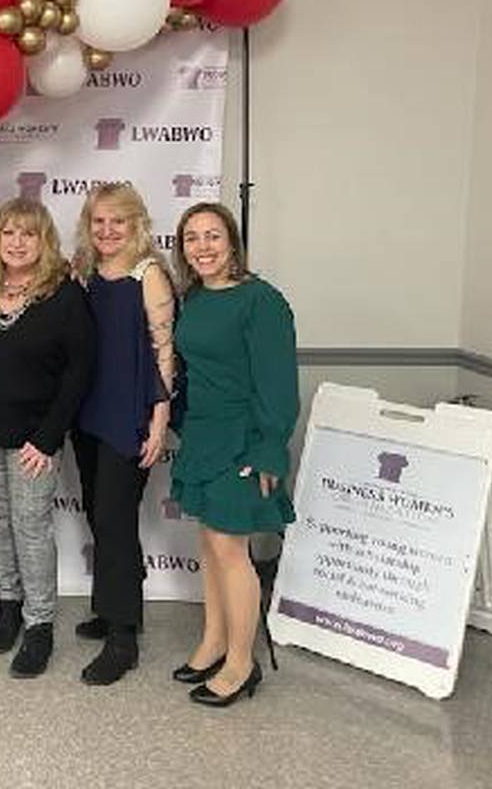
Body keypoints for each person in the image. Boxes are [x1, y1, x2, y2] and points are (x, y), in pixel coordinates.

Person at [169, 202, 298, 706]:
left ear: (232, 242)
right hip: (202, 435)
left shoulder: (261, 301)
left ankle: (243, 665)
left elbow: (278, 383)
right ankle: (214, 641)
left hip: (243, 439)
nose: (202, 247)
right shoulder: (196, 298)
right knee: (210, 546)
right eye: (192, 238)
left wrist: (269, 449)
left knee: (230, 550)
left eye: (213, 236)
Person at [0, 198, 93, 678]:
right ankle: (9, 603)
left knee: (30, 525)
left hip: (35, 439)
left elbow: (79, 371)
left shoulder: (63, 294)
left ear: (44, 241)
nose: (17, 243)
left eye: (28, 235)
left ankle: (39, 625)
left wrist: (49, 435)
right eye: (9, 233)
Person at [71, 183, 175, 685]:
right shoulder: (87, 271)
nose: (108, 231)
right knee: (98, 512)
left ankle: (124, 637)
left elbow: (165, 355)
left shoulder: (148, 274)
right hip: (87, 412)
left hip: (128, 415)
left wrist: (159, 423)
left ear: (136, 225)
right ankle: (110, 609)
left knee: (115, 522)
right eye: (99, 222)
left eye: (118, 222)